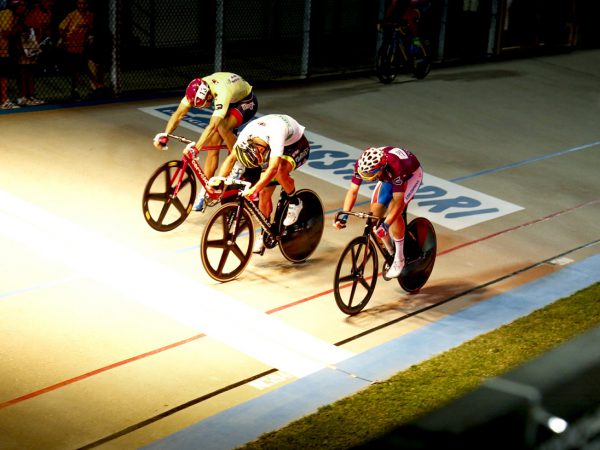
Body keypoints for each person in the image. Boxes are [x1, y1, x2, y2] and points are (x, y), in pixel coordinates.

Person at [153, 72, 258, 211]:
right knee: (213, 143)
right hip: (230, 100)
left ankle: (239, 159)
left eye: (202, 105)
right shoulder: (196, 89)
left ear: (208, 96)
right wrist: (166, 134)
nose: (201, 108)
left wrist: (196, 148)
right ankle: (205, 191)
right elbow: (178, 114)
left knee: (221, 127)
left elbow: (212, 126)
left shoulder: (222, 91)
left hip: (246, 102)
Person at [214, 114, 310, 254]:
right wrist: (218, 180)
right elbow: (231, 159)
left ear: (260, 150)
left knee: (280, 171)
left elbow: (273, 169)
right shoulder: (246, 137)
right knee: (264, 193)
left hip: (296, 145)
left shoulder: (275, 134)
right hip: (269, 146)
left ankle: (295, 201)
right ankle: (265, 233)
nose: (259, 163)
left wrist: (254, 189)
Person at [333, 146, 423, 278]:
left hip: (410, 175)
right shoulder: (362, 164)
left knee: (394, 212)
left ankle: (399, 259)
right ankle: (391, 252)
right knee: (373, 217)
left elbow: (398, 203)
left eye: (370, 176)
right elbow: (353, 191)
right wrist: (344, 216)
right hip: (388, 177)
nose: (367, 178)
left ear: (380, 169)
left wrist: (386, 224)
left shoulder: (395, 167)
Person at [58, 0, 94, 100]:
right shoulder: (72, 15)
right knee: (75, 68)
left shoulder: (90, 15)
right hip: (72, 45)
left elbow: (89, 29)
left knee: (86, 66)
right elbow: (61, 28)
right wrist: (65, 40)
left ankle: (94, 86)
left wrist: (88, 37)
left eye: (84, 3)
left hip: (83, 45)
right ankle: (75, 89)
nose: (82, 5)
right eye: (80, 3)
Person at [0, 0, 24, 109]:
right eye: (21, 5)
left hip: (4, 49)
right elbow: (5, 33)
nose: (23, 7)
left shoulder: (13, 15)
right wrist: (17, 29)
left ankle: (4, 99)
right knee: (3, 75)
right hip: (2, 48)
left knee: (4, 74)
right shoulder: (8, 13)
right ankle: (4, 100)